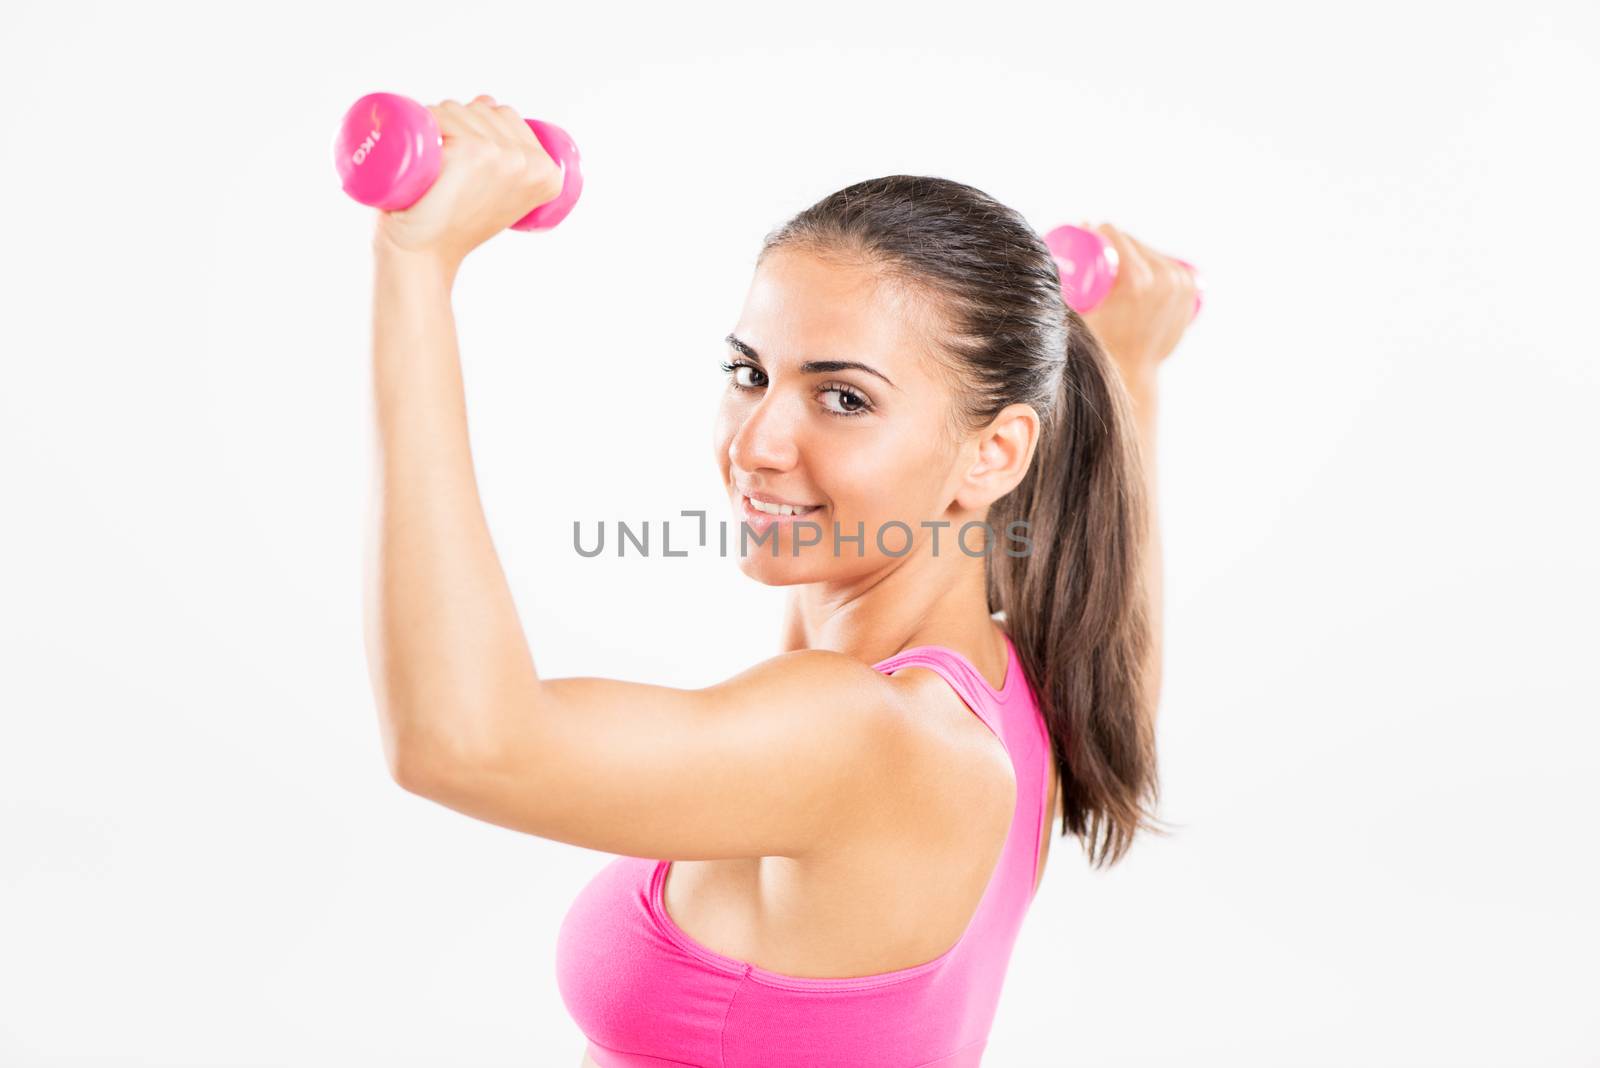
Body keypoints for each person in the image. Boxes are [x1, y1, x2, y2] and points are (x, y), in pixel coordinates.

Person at [361, 95, 1197, 1067]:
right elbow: (1116, 631)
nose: (754, 444)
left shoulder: (864, 737)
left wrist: (413, 266)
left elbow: (461, 744)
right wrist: (1128, 370)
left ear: (996, 451)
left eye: (844, 398)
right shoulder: (1025, 689)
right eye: (750, 373)